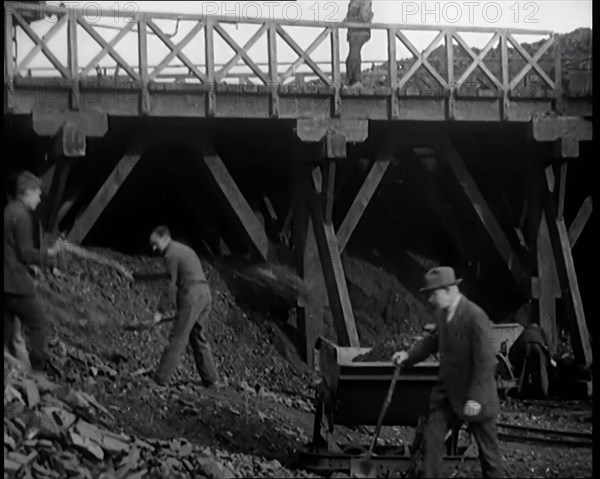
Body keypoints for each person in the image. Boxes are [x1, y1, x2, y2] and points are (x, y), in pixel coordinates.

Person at [392, 267, 502, 478]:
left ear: (450, 289)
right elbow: (431, 342)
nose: (431, 299)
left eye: (434, 293)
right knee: (431, 444)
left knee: (489, 456)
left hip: (476, 395)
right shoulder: (443, 314)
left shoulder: (475, 316)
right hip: (448, 395)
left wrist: (476, 398)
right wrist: (408, 356)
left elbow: (487, 360)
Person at [149, 225, 220, 388]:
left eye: (155, 243)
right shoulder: (185, 250)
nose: (153, 248)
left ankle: (159, 380)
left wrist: (160, 311)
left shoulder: (171, 254)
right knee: (197, 335)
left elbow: (171, 286)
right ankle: (212, 379)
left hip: (192, 295)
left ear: (166, 238)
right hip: (205, 294)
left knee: (177, 338)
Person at [4, 171, 60, 374]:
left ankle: (12, 371)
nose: (39, 198)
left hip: (5, 283)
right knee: (37, 322)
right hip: (15, 283)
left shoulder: (8, 211)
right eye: (37, 194)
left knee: (8, 331)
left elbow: (11, 249)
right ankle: (39, 371)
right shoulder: (22, 216)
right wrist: (49, 256)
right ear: (26, 192)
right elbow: (26, 252)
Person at [345, 0, 374, 87]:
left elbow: (365, 17)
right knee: (354, 54)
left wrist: (352, 19)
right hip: (354, 32)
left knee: (353, 55)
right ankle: (353, 79)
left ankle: (355, 80)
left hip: (359, 32)